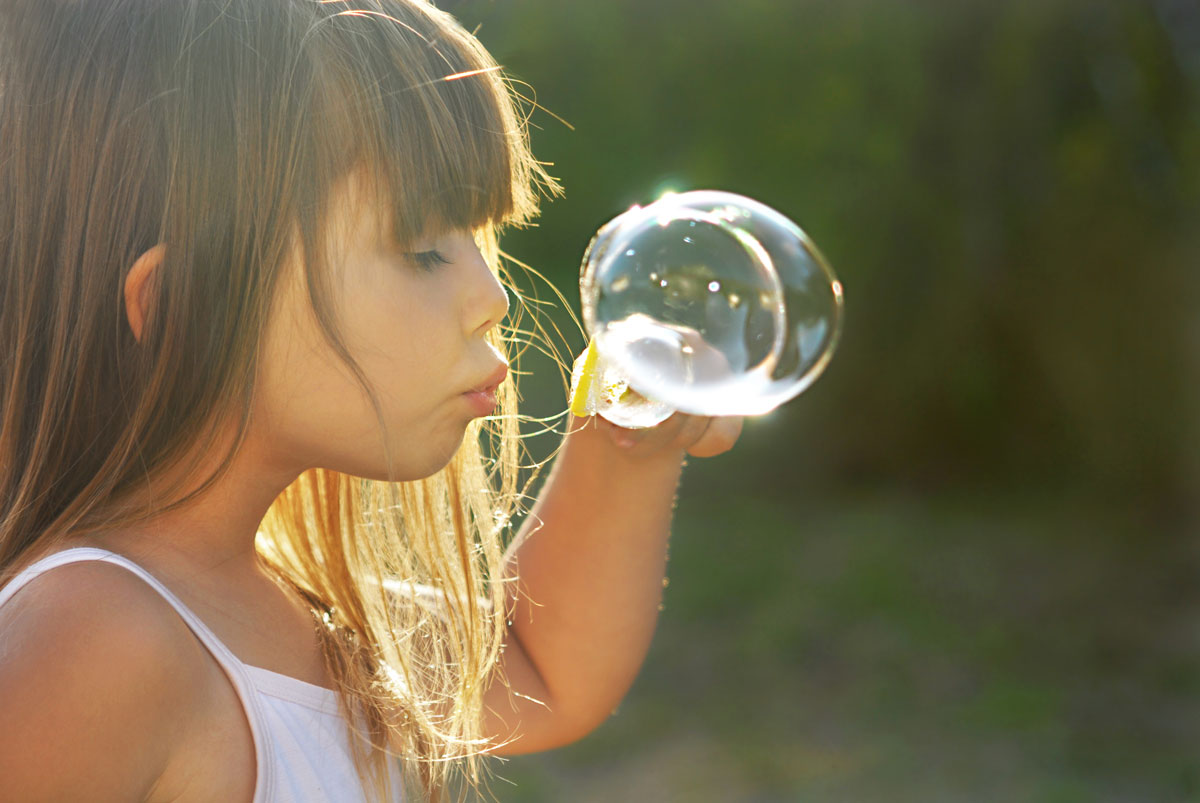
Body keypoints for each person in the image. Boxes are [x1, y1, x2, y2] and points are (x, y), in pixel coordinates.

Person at [0, 0, 743, 800]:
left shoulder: (288, 610)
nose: (493, 296)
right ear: (192, 307)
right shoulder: (93, 641)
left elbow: (541, 669)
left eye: (480, 242)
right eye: (422, 250)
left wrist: (624, 441)